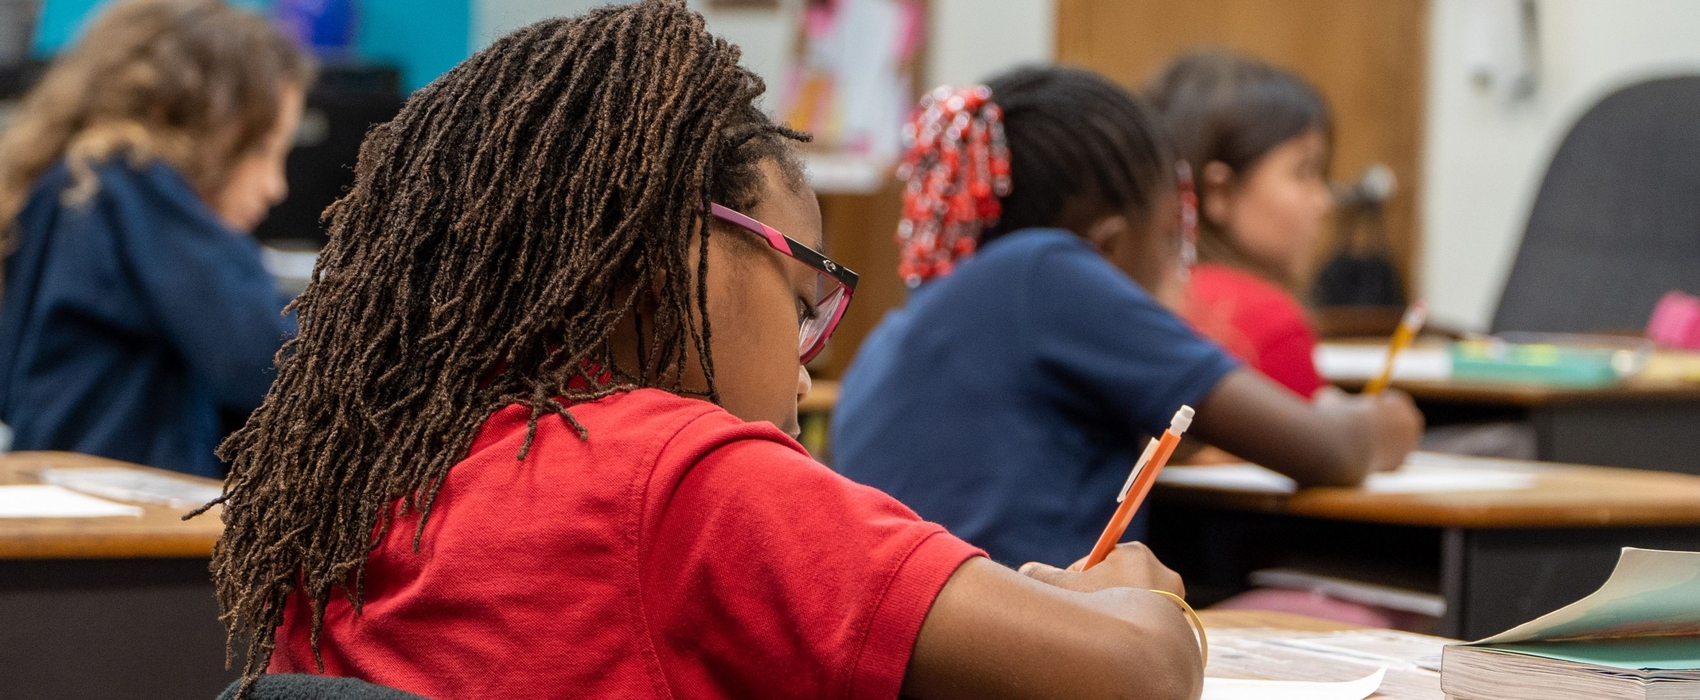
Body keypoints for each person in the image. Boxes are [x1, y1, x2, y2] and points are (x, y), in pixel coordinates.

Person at [206, 4, 1205, 698]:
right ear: (669, 250)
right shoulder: (684, 476)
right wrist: (1133, 600)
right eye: (801, 293)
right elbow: (1130, 678)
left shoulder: (376, 472)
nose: (807, 357)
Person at [832, 66, 1423, 569]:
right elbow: (1331, 453)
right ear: (1107, 250)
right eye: (1170, 241)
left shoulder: (897, 334)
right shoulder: (1047, 271)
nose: (1176, 272)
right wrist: (1387, 418)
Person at [0, 0, 310, 477]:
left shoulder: (71, 186)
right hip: (121, 524)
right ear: (196, 123)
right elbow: (270, 364)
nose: (276, 186)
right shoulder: (131, 187)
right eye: (262, 149)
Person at [1147, 51, 1349, 398]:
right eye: (1304, 172)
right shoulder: (1270, 322)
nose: (1324, 201)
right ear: (1219, 191)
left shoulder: (1129, 296)